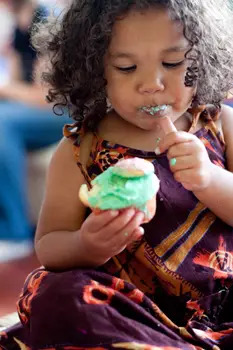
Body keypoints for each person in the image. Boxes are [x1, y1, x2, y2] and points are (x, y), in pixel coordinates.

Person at [1, 0, 233, 348]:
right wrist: (86, 245)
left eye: (171, 63)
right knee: (55, 296)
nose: (151, 84)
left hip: (224, 305)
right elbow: (49, 245)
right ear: (95, 71)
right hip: (129, 312)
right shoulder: (81, 149)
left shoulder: (221, 125)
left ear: (202, 60)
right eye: (126, 67)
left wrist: (209, 179)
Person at [0, 0, 70, 260]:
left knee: (0, 121)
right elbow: (19, 83)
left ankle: (14, 233)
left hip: (63, 111)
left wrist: (4, 89)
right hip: (34, 110)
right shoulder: (19, 27)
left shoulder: (47, 19)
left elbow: (45, 98)